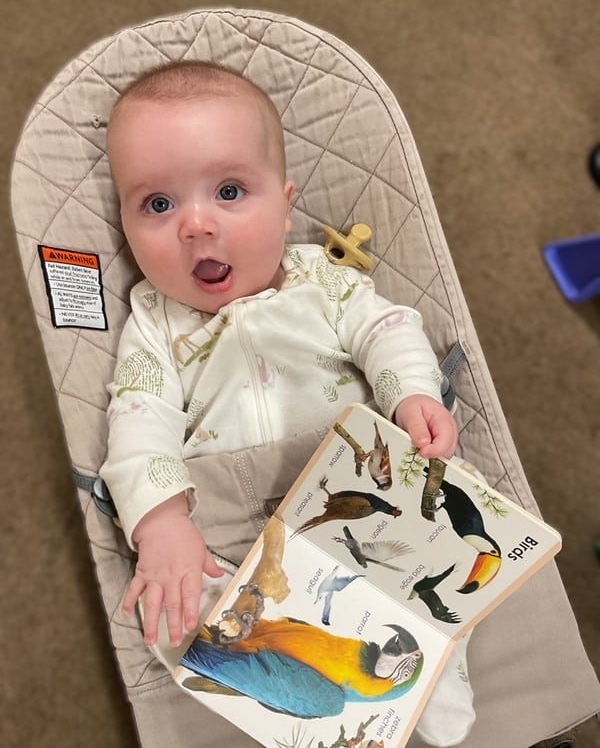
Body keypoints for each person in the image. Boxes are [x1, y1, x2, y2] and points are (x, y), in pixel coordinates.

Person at [101, 60, 473, 746]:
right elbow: (138, 418)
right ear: (124, 223)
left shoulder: (323, 282)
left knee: (436, 538)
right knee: (173, 606)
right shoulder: (153, 322)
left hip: (356, 496)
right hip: (231, 533)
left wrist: (412, 393)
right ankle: (262, 682)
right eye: (157, 205)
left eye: (230, 191)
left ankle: (435, 677)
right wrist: (160, 523)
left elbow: (389, 331)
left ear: (285, 205)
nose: (195, 225)